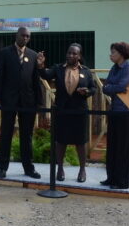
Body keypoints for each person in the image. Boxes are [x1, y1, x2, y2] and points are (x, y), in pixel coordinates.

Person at [37, 43, 96, 183]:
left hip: (79, 111)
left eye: (74, 53)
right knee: (61, 141)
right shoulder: (58, 68)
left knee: (80, 142)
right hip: (62, 110)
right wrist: (40, 65)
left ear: (79, 56)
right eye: (69, 52)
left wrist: (87, 92)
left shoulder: (86, 71)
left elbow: (93, 88)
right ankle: (60, 169)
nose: (71, 55)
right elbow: (45, 75)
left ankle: (82, 170)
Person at [0, 27, 43, 179]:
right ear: (17, 35)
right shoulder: (4, 53)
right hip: (9, 100)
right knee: (6, 133)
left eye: (28, 36)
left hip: (28, 102)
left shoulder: (33, 55)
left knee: (26, 135)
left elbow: (36, 80)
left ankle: (28, 168)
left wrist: (39, 101)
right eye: (23, 35)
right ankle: (2, 168)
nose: (25, 38)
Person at [101, 42, 129, 189]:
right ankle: (111, 178)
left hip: (126, 111)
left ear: (121, 53)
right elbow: (105, 87)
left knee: (123, 147)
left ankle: (122, 181)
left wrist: (112, 88)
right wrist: (113, 88)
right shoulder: (114, 68)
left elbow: (122, 86)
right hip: (114, 110)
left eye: (113, 52)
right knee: (112, 145)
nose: (111, 55)